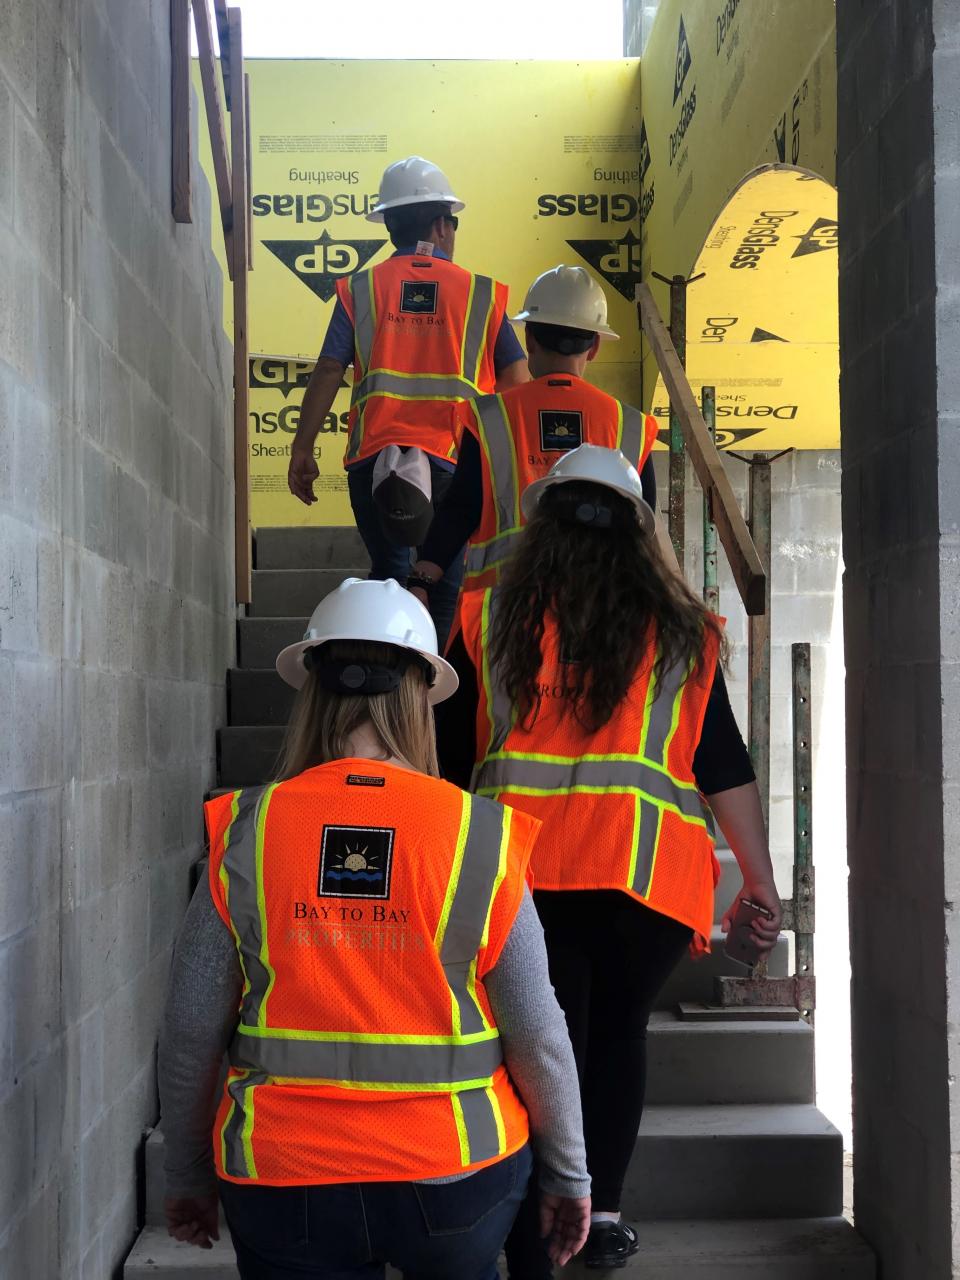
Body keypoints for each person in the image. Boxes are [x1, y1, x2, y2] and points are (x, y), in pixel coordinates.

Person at [157, 578, 592, 1280]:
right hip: (455, 1177)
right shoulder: (477, 838)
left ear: (313, 692)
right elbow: (538, 1033)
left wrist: (186, 1174)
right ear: (422, 695)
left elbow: (187, 1029)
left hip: (283, 1178)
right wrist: (570, 1176)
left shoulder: (247, 833)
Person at [436, 446, 783, 1274]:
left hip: (517, 879)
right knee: (617, 1032)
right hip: (647, 881)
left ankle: (531, 1205)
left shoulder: (486, 618)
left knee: (531, 1042)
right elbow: (722, 761)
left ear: (541, 521)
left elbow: (444, 762)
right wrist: (759, 882)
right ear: (641, 531)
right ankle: (604, 1214)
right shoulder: (684, 631)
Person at [288, 156, 529, 650]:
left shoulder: (362, 288)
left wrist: (302, 448)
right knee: (442, 582)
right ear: (441, 225)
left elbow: (331, 368)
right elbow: (516, 377)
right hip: (455, 463)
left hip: (375, 458)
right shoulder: (479, 293)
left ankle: (388, 689)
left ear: (390, 224)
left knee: (390, 578)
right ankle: (429, 699)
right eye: (453, 223)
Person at [408, 265, 660, 604]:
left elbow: (461, 508)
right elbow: (643, 530)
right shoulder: (632, 426)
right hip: (601, 618)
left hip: (501, 621)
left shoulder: (488, 418)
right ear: (595, 345)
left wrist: (421, 580)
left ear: (529, 339)